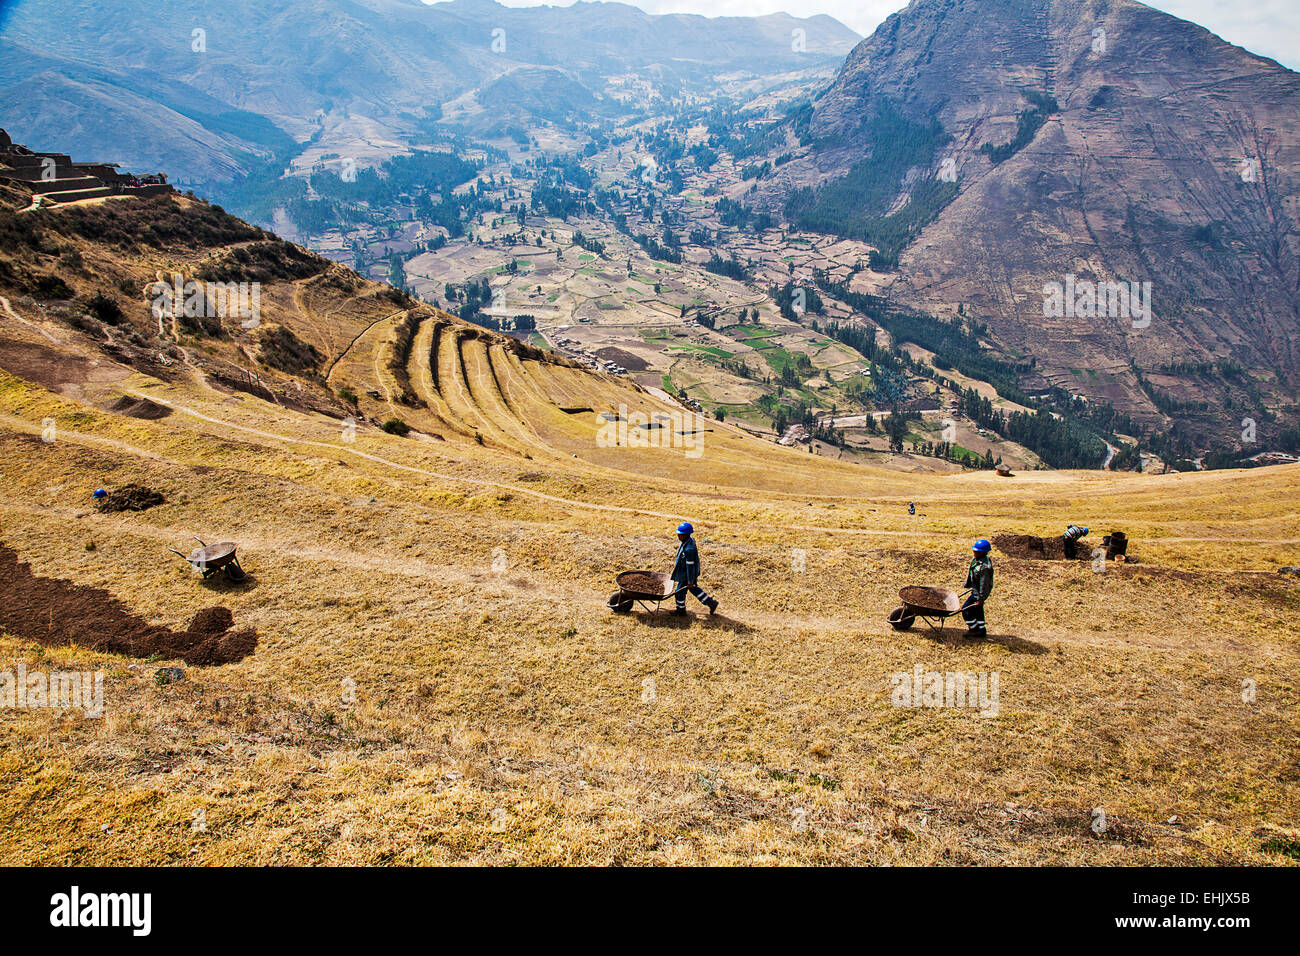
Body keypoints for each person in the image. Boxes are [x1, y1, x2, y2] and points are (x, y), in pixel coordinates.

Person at [669, 522, 718, 617]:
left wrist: (690, 581)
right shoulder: (688, 541)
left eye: (680, 534)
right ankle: (711, 603)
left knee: (679, 592)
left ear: (686, 535)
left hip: (687, 575)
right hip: (688, 574)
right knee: (694, 589)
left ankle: (681, 611)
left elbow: (690, 566)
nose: (678, 536)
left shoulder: (689, 549)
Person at [962, 538, 994, 638]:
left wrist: (980, 598)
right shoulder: (977, 560)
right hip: (976, 590)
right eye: (974, 550)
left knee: (965, 610)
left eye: (977, 551)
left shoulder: (984, 567)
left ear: (983, 553)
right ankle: (981, 629)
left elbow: (984, 584)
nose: (974, 552)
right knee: (978, 610)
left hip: (979, 593)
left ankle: (974, 629)